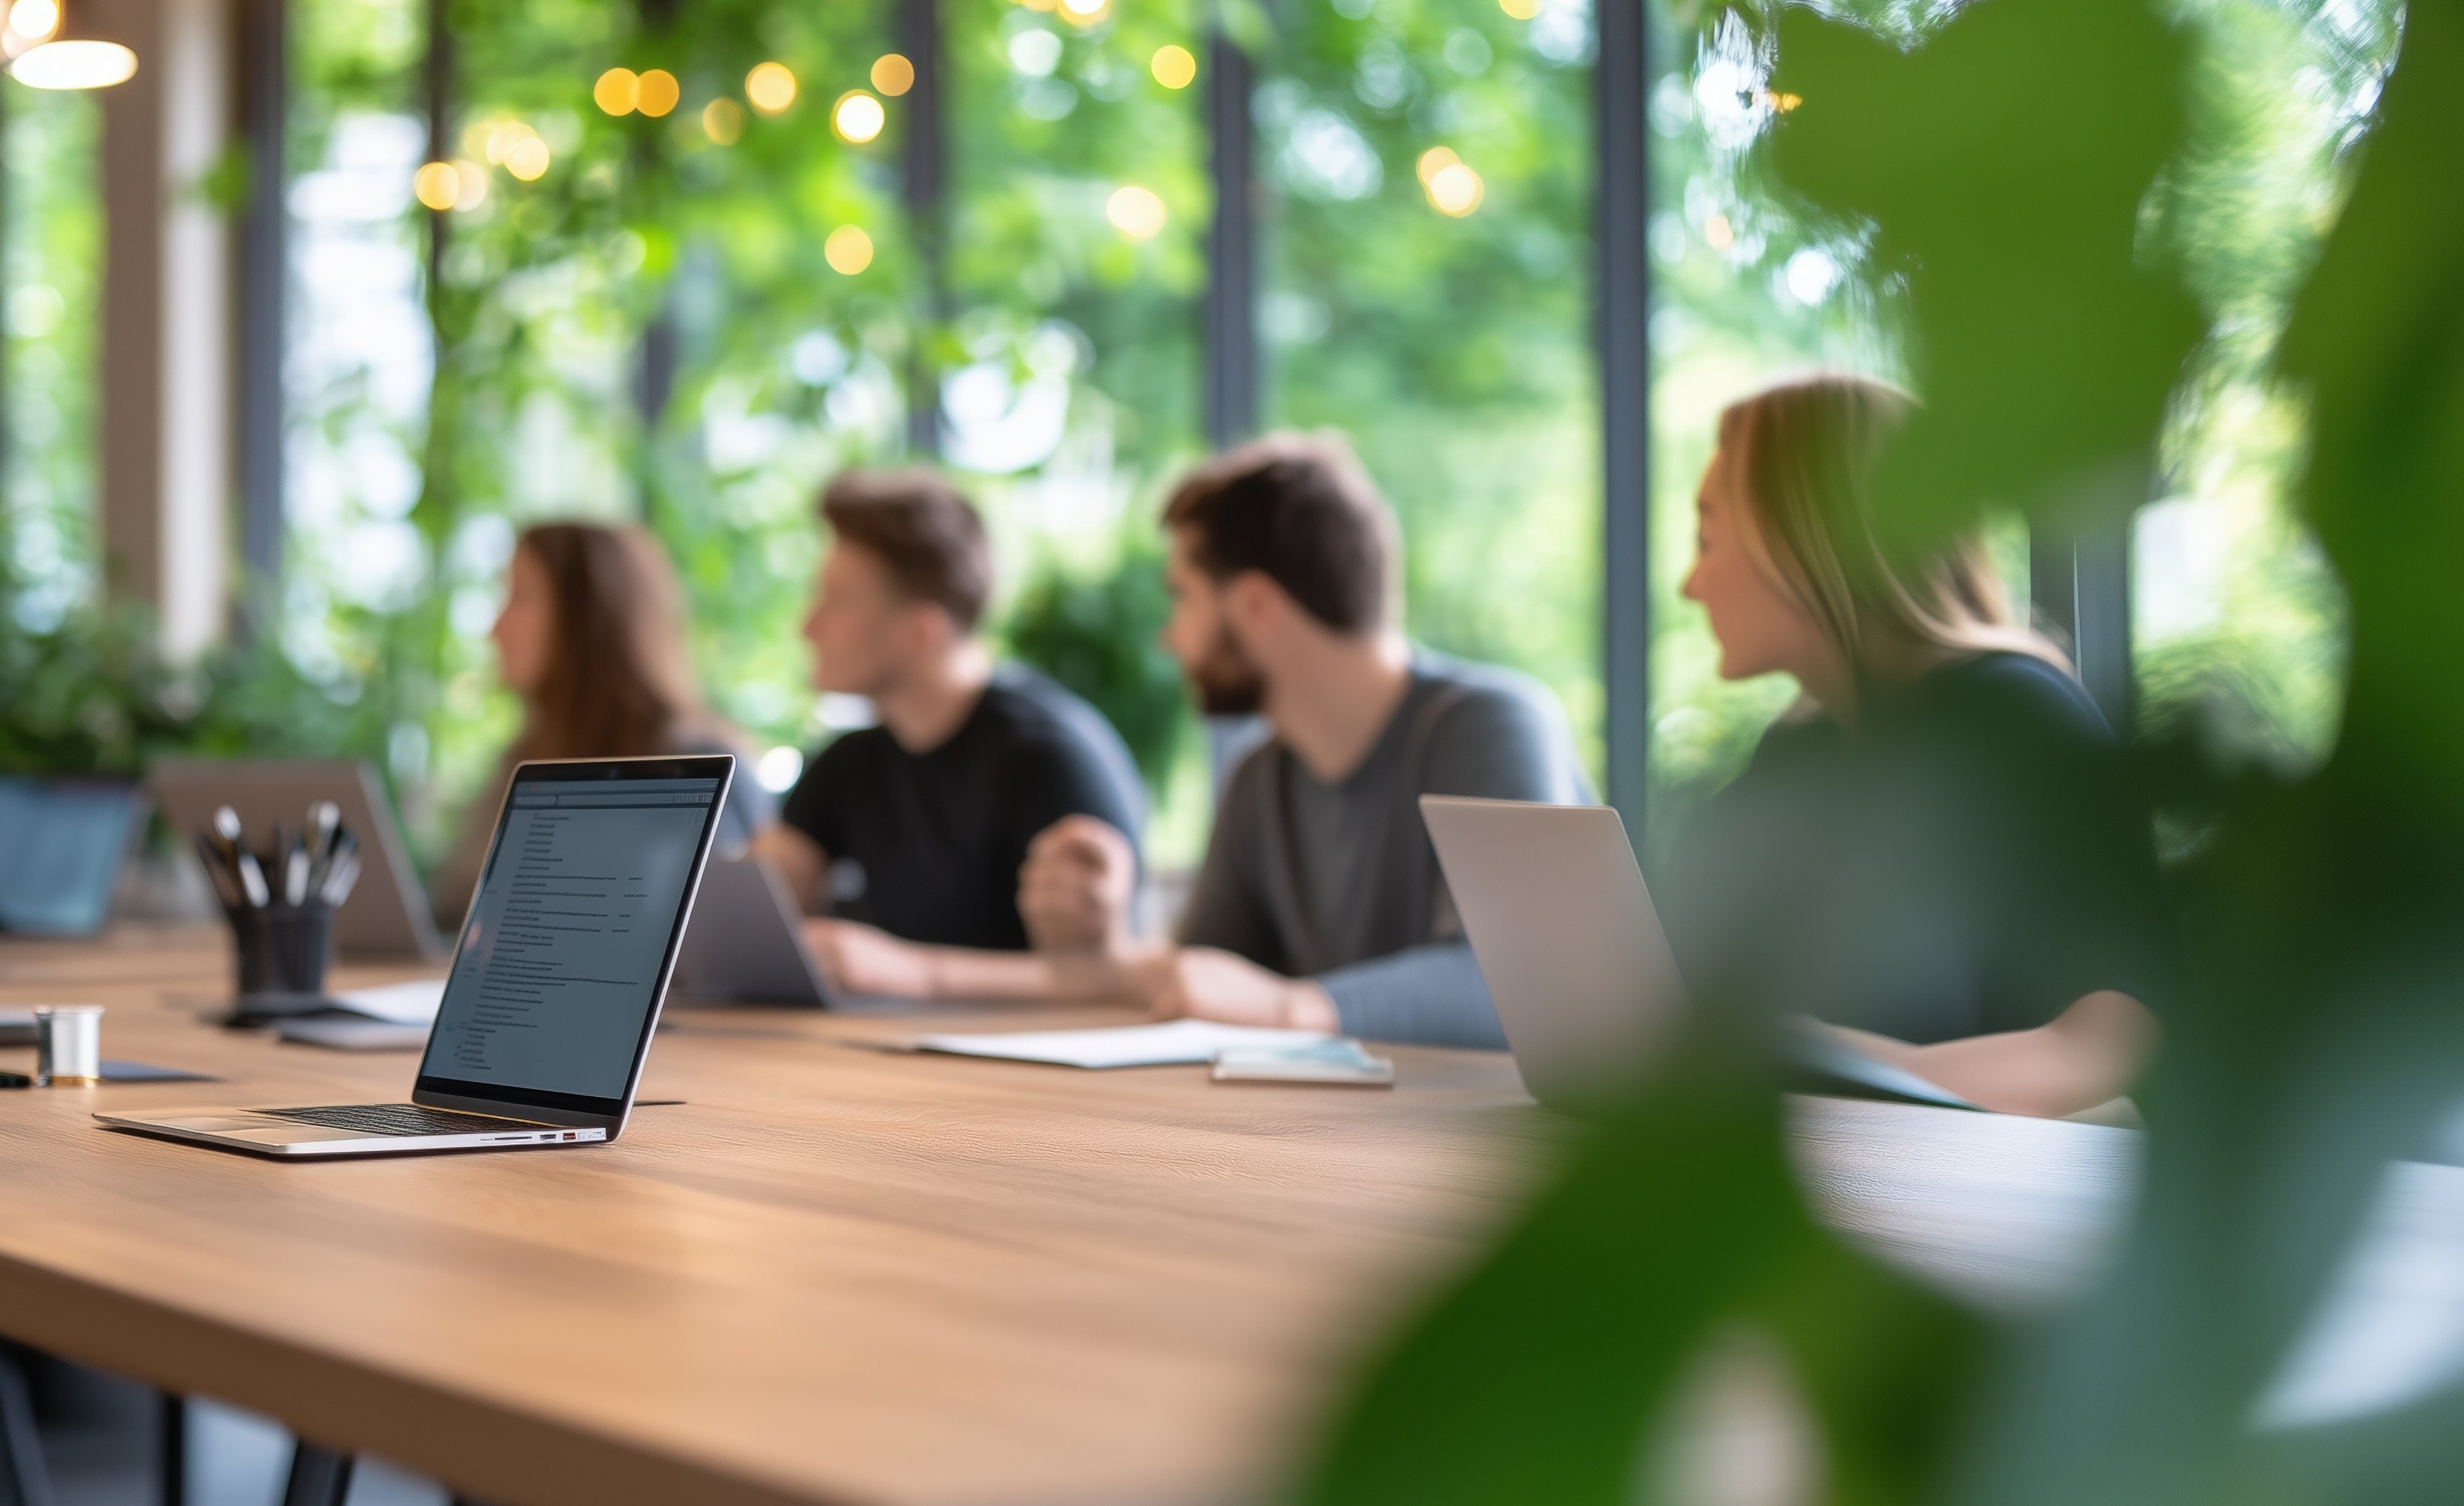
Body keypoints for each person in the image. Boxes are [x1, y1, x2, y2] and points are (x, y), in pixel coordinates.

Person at [1666, 374, 2164, 1116]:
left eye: (1708, 537)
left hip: (1987, 1194)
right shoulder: (1799, 748)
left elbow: (2117, 1043)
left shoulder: (2017, 715)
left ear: (1806, 534)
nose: (1689, 584)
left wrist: (1846, 1066)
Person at [990, 435, 1587, 1040]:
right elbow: (1209, 982)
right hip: (1335, 1132)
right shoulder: (1261, 777)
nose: (1168, 639)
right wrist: (1101, 953)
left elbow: (1523, 987)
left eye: (1183, 598)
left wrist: (1292, 1009)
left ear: (1253, 604)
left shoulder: (1491, 723)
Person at [761, 469, 1149, 980]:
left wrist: (911, 972)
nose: (806, 627)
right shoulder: (849, 762)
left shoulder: (1048, 758)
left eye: (835, 600)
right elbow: (758, 894)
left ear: (920, 632)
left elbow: (1113, 978)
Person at [432, 520, 775, 925]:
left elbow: (723, 938)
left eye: (520, 596)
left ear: (589, 615)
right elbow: (456, 909)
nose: (495, 628)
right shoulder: (526, 760)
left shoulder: (696, 766)